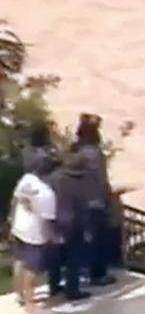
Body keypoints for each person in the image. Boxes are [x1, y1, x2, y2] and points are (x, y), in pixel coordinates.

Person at [9, 156, 57, 312]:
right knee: (32, 269)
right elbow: (47, 221)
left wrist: (11, 220)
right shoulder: (48, 194)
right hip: (34, 234)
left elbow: (15, 201)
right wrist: (52, 238)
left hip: (19, 226)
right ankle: (30, 303)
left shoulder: (27, 179)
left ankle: (19, 295)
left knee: (19, 261)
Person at [75, 114, 116, 285]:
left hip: (78, 200)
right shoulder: (95, 154)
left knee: (83, 238)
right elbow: (102, 178)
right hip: (95, 201)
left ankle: (82, 270)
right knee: (99, 238)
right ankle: (98, 274)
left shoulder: (75, 151)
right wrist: (108, 196)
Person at [51, 147, 92, 300]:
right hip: (73, 223)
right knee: (73, 258)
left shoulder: (54, 177)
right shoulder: (78, 183)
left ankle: (54, 286)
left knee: (54, 257)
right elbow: (83, 206)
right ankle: (72, 289)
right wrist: (87, 227)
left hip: (55, 221)